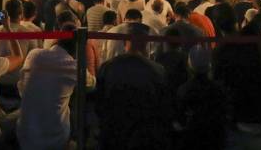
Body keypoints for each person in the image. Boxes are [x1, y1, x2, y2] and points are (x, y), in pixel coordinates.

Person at [95, 22, 172, 150]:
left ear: (125, 42)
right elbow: (163, 106)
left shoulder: (108, 67)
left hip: (114, 133)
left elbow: (100, 104)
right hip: (145, 136)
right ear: (147, 44)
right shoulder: (157, 70)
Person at [16, 21, 90, 150]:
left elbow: (22, 89)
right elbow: (91, 83)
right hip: (55, 140)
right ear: (77, 47)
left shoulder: (33, 55)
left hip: (25, 136)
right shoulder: (74, 67)